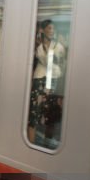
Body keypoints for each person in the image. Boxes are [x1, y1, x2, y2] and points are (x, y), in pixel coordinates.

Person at [27, 18, 66, 146]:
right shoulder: (38, 47)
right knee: (34, 112)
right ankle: (31, 142)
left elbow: (61, 64)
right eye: (49, 28)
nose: (52, 30)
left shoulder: (58, 46)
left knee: (50, 114)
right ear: (42, 30)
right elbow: (43, 61)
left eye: (53, 28)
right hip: (39, 80)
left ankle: (45, 143)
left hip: (53, 81)